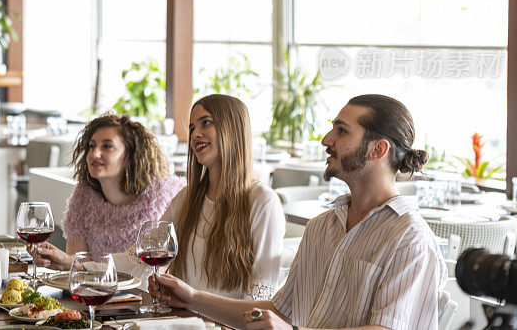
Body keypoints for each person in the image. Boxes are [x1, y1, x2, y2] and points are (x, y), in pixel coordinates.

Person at [151, 94, 447, 330]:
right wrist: (192, 298)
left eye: (341, 131)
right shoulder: (321, 227)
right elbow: (279, 311)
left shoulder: (410, 239)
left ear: (378, 150)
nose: (326, 139)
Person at [159, 94, 285, 301]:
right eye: (192, 128)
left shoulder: (262, 202)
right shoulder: (185, 199)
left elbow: (258, 300)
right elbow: (142, 256)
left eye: (205, 123)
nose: (195, 135)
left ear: (233, 130)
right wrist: (93, 268)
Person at [34, 113, 185, 270]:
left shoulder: (164, 195)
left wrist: (71, 264)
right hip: (97, 290)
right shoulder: (84, 197)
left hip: (148, 292)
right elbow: (77, 266)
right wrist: (62, 261)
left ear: (130, 155)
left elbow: (157, 269)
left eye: (107, 146)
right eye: (92, 146)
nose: (94, 154)